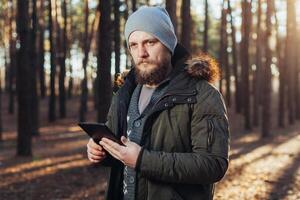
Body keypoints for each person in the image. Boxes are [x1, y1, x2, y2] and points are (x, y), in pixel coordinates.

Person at [87, 6, 230, 200]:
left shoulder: (202, 95)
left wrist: (142, 160)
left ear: (168, 44)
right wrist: (99, 149)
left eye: (150, 42)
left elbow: (213, 165)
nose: (141, 53)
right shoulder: (124, 93)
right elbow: (119, 148)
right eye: (134, 45)